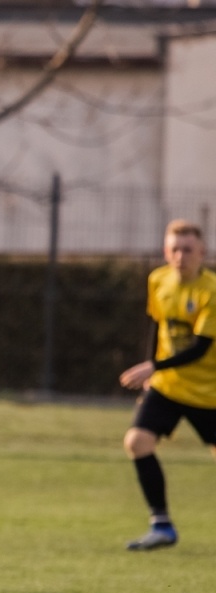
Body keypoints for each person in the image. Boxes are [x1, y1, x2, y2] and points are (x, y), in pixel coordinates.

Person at [118, 219, 216, 550]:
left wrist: (152, 366)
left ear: (202, 253)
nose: (180, 256)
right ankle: (161, 526)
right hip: (169, 387)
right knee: (137, 442)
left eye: (188, 250)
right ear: (165, 251)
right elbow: (156, 326)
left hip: (209, 392)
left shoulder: (211, 291)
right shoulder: (158, 280)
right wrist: (153, 374)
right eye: (174, 249)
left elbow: (200, 347)